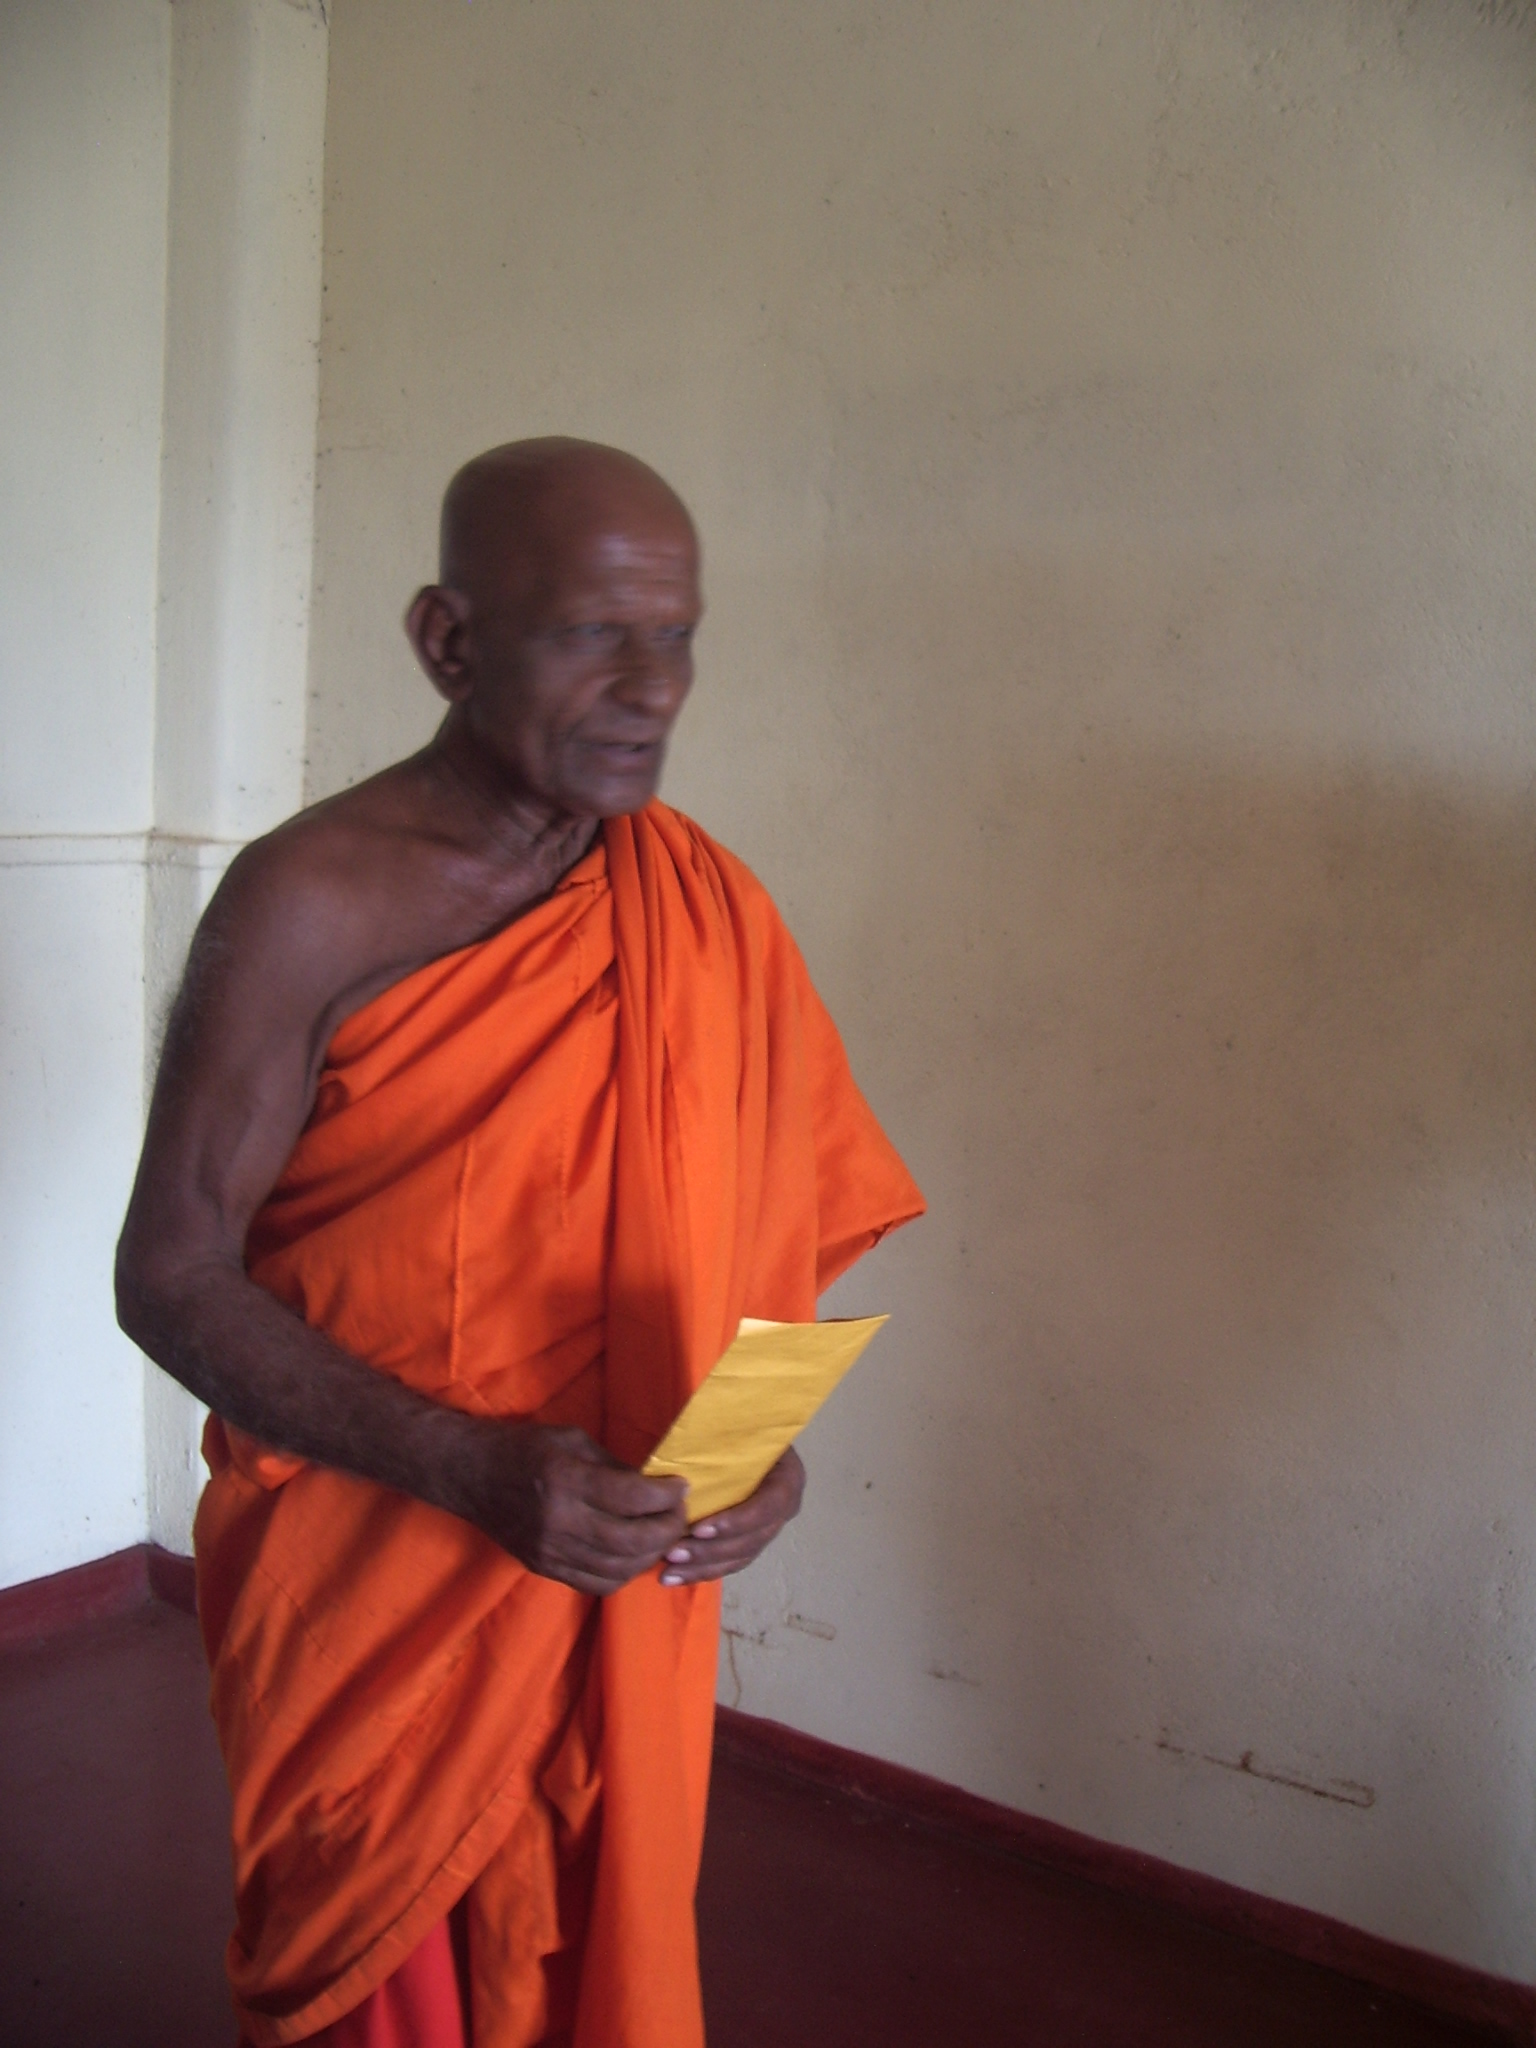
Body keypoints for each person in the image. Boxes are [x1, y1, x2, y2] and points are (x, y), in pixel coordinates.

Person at [116, 438, 924, 2048]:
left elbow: (753, 1234)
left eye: (676, 635)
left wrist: (756, 1460)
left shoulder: (703, 905)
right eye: (590, 635)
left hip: (614, 1583)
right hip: (381, 1585)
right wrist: (471, 1468)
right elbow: (170, 1274)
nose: (651, 688)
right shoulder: (310, 902)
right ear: (448, 640)